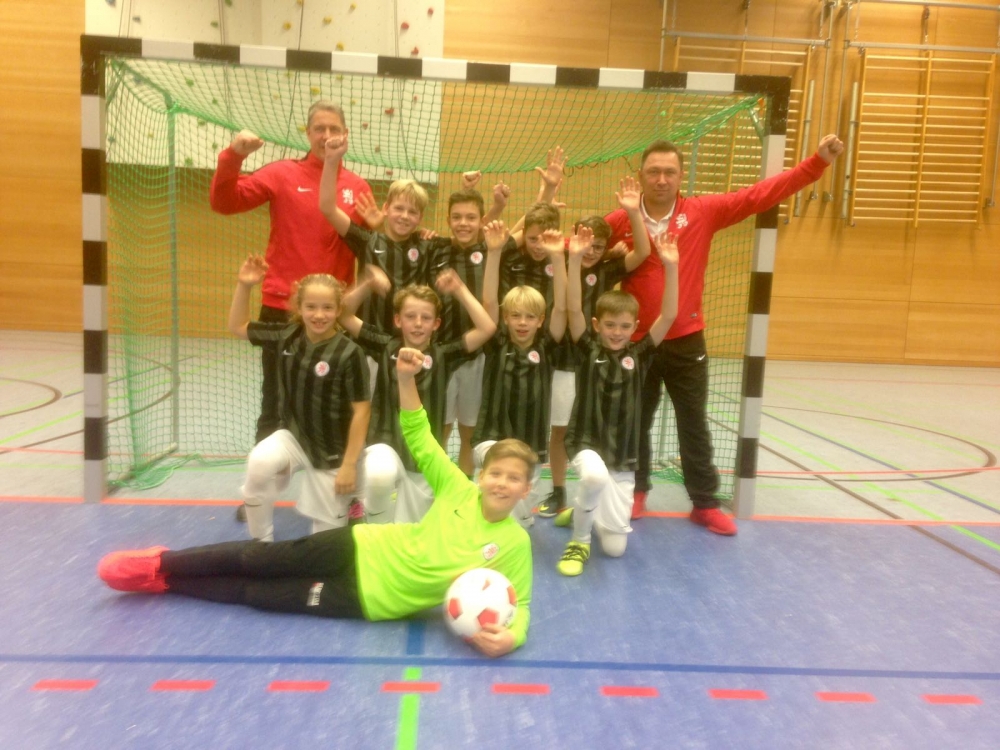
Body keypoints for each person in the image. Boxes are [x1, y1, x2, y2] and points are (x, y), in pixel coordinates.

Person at [96, 348, 535, 658]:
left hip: (366, 599)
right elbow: (419, 435)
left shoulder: (514, 544)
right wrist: (405, 379)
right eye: (496, 473)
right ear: (481, 475)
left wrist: (510, 637)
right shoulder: (458, 488)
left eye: (513, 478)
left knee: (260, 595)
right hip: (360, 545)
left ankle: (165, 583)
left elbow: (523, 605)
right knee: (258, 559)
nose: (501, 483)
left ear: (525, 489)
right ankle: (161, 561)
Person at [607, 134, 845, 530]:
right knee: (634, 422)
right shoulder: (621, 219)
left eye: (669, 172)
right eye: (653, 172)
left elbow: (759, 195)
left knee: (693, 423)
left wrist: (816, 162)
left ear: (681, 175)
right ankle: (636, 492)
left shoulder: (703, 212)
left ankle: (704, 502)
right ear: (641, 175)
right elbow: (577, 248)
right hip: (636, 344)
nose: (661, 179)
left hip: (686, 341)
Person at [210, 101, 371, 449]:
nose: (326, 135)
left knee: (337, 402)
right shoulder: (282, 173)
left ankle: (335, 475)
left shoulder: (358, 188)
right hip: (282, 308)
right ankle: (265, 478)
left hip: (335, 315)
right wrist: (233, 157)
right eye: (319, 128)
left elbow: (371, 250)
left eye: (334, 129)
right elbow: (224, 202)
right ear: (308, 133)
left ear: (345, 135)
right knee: (276, 401)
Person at [554, 231, 679, 576]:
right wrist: (575, 260)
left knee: (614, 550)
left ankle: (582, 509)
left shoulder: (640, 355)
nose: (616, 332)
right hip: (585, 442)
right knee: (593, 476)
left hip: (622, 455)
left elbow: (669, 315)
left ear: (635, 327)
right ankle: (579, 540)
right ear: (597, 325)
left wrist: (671, 267)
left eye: (624, 326)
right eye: (609, 325)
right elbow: (572, 308)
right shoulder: (587, 348)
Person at [227, 256, 371, 541]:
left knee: (325, 542)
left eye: (327, 307)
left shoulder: (349, 353)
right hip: (294, 437)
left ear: (338, 309)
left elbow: (362, 412)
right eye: (311, 307)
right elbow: (238, 326)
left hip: (334, 451)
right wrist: (244, 286)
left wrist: (349, 465)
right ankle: (261, 543)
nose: (319, 315)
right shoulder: (287, 335)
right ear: (299, 307)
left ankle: (354, 499)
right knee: (259, 462)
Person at [338, 275, 496, 523]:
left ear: (436, 323)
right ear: (398, 320)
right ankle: (377, 528)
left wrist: (459, 289)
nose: (418, 323)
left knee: (415, 526)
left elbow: (487, 328)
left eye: (426, 318)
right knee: (378, 474)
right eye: (410, 316)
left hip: (424, 455)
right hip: (386, 443)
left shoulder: (444, 354)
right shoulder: (385, 346)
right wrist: (367, 285)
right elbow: (344, 315)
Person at [538, 177, 651, 519]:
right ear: (573, 237)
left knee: (595, 427)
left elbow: (643, 252)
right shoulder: (554, 260)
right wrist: (548, 194)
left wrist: (633, 213)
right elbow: (533, 228)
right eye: (585, 242)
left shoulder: (607, 269)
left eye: (598, 246)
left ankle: (594, 493)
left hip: (596, 363)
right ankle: (559, 491)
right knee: (560, 428)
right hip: (561, 359)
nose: (591, 251)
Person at [471, 220, 572, 527]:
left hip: (531, 447)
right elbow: (489, 301)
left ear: (540, 320)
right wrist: (493, 252)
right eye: (515, 316)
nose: (523, 322)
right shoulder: (496, 343)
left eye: (530, 317)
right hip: (492, 441)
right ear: (506, 318)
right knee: (495, 501)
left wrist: (558, 258)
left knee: (519, 521)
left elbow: (562, 308)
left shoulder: (546, 346)